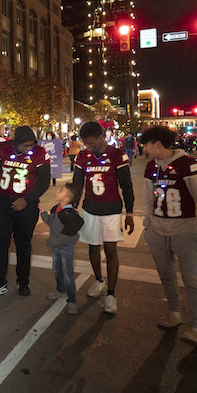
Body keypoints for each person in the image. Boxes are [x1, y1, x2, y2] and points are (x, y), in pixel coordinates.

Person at [140, 125, 197, 350]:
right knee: (166, 275)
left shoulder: (187, 164)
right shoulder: (151, 166)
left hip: (184, 230)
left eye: (147, 145)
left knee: (191, 279)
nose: (144, 149)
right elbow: (147, 198)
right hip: (157, 230)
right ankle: (174, 312)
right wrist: (147, 223)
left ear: (157, 144)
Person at [73, 121, 135, 314]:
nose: (88, 146)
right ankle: (99, 280)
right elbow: (77, 185)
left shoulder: (117, 155)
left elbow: (126, 185)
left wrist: (130, 212)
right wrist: (71, 208)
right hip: (90, 208)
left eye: (91, 142)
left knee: (110, 250)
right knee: (93, 247)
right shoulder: (82, 156)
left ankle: (111, 294)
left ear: (101, 137)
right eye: (85, 143)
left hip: (111, 209)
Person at [0, 126, 50, 297]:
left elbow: (44, 181)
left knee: (23, 245)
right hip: (2, 202)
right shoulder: (2, 148)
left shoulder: (40, 153)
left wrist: (26, 200)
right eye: (24, 145)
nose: (28, 149)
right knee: (0, 244)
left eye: (30, 145)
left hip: (26, 205)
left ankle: (23, 282)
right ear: (15, 143)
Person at [41, 182, 84, 314]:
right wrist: (43, 213)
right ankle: (60, 290)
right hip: (56, 247)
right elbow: (52, 223)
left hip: (66, 248)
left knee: (67, 273)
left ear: (67, 198)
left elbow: (69, 236)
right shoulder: (56, 208)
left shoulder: (71, 214)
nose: (56, 192)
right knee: (57, 269)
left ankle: (72, 301)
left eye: (60, 190)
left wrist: (51, 242)